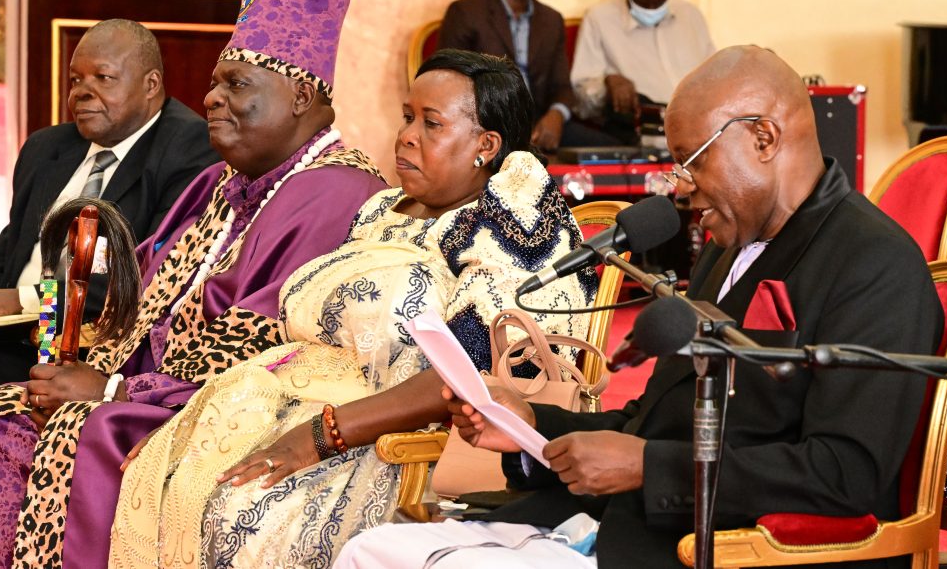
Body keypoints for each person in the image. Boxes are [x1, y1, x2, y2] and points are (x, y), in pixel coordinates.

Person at [335, 45, 944, 569]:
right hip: (623, 527)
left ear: (763, 138)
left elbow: (845, 476)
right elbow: (653, 428)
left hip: (720, 549)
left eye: (694, 158)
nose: (680, 184)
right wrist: (529, 429)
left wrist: (651, 468)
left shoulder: (876, 265)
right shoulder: (726, 247)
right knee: (372, 551)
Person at [0, 0, 389, 569]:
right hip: (105, 363)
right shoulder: (219, 181)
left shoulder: (334, 193)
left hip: (217, 411)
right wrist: (65, 355)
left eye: (235, 85)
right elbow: (133, 291)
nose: (211, 98)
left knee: (43, 426)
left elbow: (259, 351)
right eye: (216, 83)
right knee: (1, 411)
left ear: (302, 96)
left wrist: (112, 386)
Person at [106, 49, 597, 569]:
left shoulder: (510, 219)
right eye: (408, 116)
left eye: (431, 124)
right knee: (165, 477)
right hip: (294, 408)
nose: (407, 135)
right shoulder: (383, 211)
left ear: (486, 145)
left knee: (238, 510)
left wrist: (320, 437)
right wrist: (206, 411)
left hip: (401, 440)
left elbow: (466, 373)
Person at [0, 18, 218, 529]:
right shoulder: (47, 148)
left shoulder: (189, 152)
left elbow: (145, 282)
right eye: (75, 79)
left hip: (79, 351)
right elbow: (6, 262)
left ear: (151, 85)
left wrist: (18, 303)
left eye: (103, 79)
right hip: (6, 334)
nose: (82, 92)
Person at [437, 0, 576, 151]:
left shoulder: (551, 20)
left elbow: (563, 87)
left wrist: (556, 115)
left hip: (539, 124)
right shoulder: (467, 12)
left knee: (613, 149)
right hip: (486, 124)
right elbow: (448, 82)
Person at [571, 0, 715, 144]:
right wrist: (608, 83)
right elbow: (581, 98)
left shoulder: (690, 15)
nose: (652, 6)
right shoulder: (600, 19)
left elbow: (715, 76)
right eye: (644, 0)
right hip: (645, 136)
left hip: (703, 131)